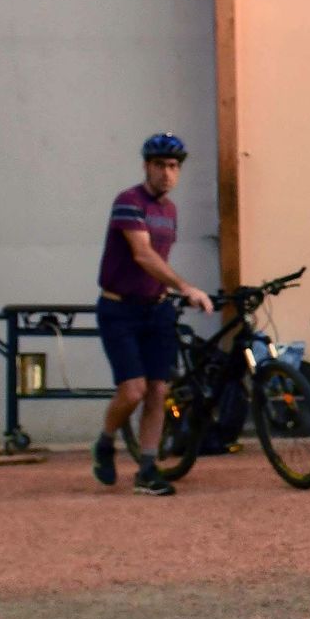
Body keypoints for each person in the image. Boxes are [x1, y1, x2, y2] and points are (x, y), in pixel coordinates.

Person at [96, 132, 210, 494]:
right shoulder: (129, 202)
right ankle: (104, 441)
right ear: (147, 166)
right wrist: (185, 286)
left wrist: (171, 291)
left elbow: (158, 262)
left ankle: (147, 468)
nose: (167, 173)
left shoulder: (170, 211)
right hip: (119, 309)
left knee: (158, 391)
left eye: (173, 166)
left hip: (155, 309)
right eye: (160, 165)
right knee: (132, 392)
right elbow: (143, 255)